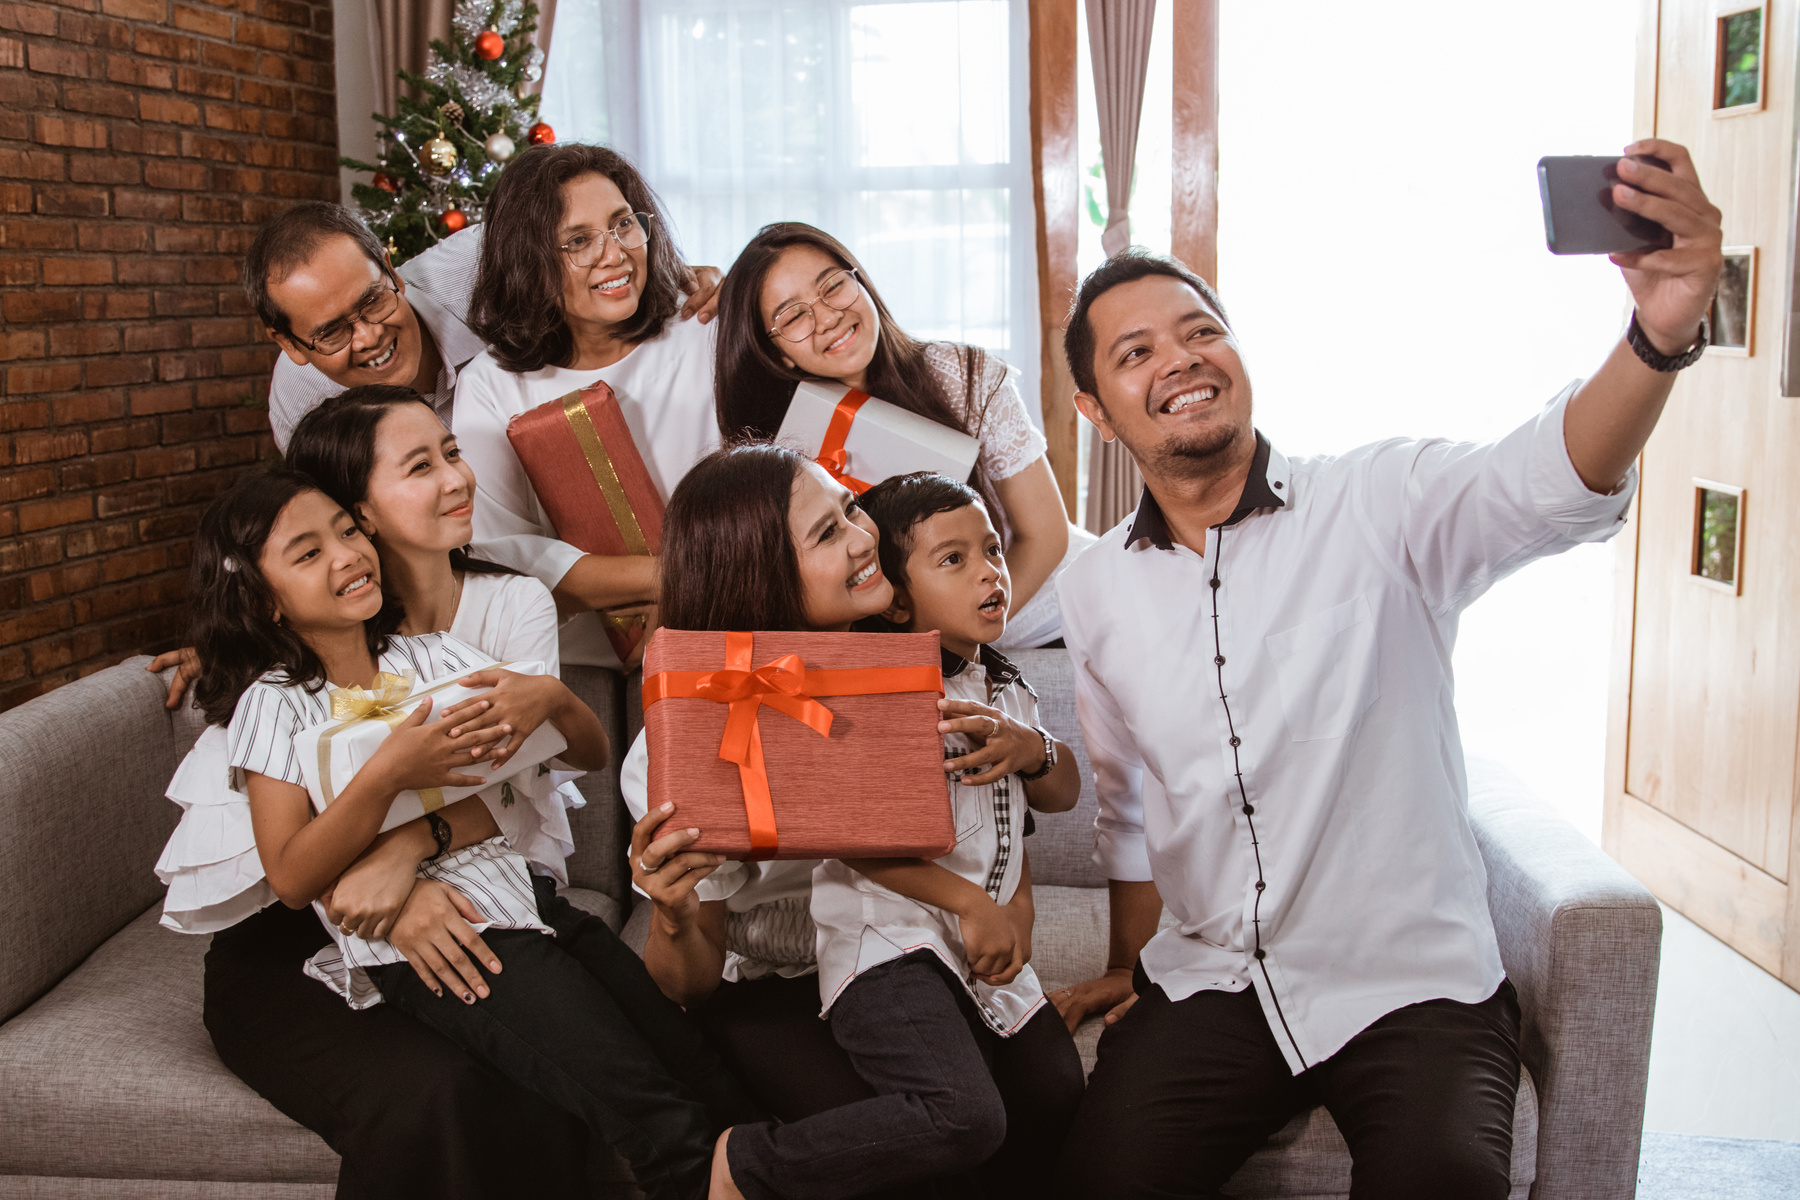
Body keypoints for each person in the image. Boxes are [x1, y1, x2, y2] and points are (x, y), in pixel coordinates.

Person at [1047, 140, 1723, 1199]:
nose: (1178, 360)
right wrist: (1137, 967)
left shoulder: (1380, 504)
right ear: (1095, 407)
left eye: (1200, 332)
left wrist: (1659, 332)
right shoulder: (1096, 591)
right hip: (1217, 981)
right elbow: (1130, 804)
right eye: (1133, 354)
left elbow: (1548, 479)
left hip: (1417, 983)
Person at [168, 468, 744, 1200]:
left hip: (527, 900)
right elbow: (289, 877)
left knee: (691, 1060)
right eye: (307, 553)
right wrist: (386, 774)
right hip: (456, 940)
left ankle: (768, 1166)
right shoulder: (273, 705)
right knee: (639, 1104)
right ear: (260, 599)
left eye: (348, 532)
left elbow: (563, 765)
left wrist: (557, 699)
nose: (347, 555)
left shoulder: (435, 657)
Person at [621, 445, 1082, 1197]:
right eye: (828, 534)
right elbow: (690, 983)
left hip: (916, 949)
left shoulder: (911, 670)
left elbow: (1000, 818)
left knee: (1042, 1096)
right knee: (940, 1143)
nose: (863, 538)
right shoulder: (679, 745)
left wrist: (1005, 904)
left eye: (851, 509)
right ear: (760, 570)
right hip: (777, 990)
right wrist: (673, 911)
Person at [148, 196, 723, 705]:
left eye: (373, 301)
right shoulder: (299, 402)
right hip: (484, 565)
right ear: (290, 344)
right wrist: (242, 636)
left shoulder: (482, 264)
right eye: (331, 333)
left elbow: (611, 258)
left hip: (602, 481)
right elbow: (327, 538)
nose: (368, 336)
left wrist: (681, 282)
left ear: (393, 275)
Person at [713, 222, 1090, 649]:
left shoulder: (964, 377)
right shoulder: (779, 446)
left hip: (1045, 615)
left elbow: (1046, 535)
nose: (828, 317)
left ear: (861, 282)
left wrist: (966, 643)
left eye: (833, 286)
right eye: (795, 315)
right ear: (776, 349)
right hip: (919, 644)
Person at [453, 144, 722, 669]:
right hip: (571, 660)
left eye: (624, 225)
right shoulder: (492, 383)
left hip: (722, 630)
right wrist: (683, 577)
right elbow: (499, 555)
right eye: (578, 241)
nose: (616, 254)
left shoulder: (702, 331)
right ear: (528, 262)